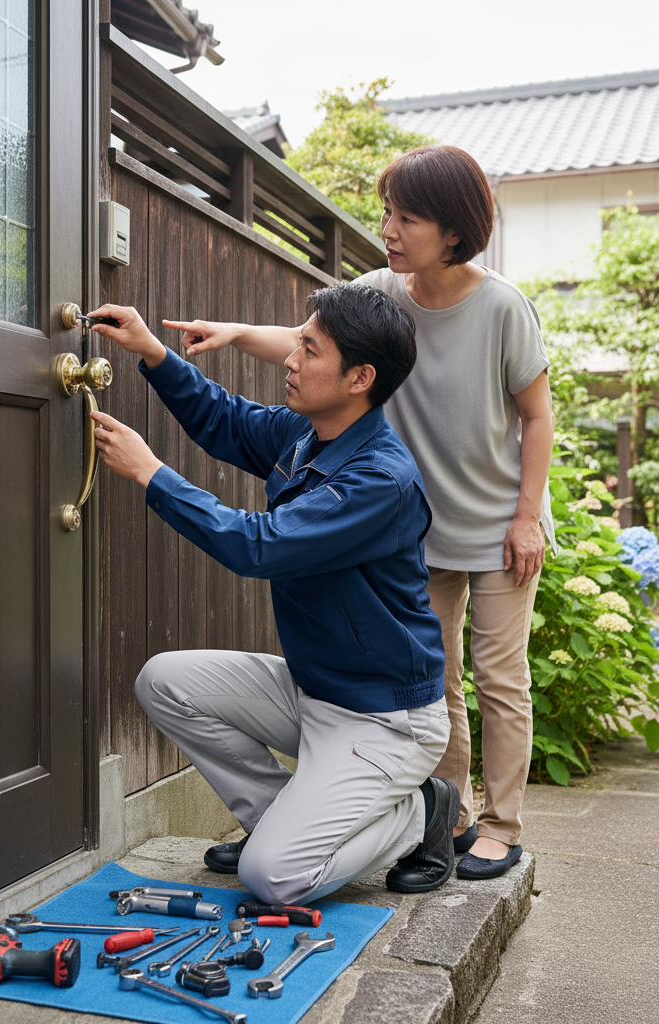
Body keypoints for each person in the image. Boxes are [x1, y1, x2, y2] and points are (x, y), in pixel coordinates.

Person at [169, 145, 554, 884]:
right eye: (387, 212)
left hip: (497, 525)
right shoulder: (381, 288)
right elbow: (322, 344)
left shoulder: (502, 306)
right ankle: (449, 816)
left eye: (407, 217)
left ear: (452, 230)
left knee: (500, 677)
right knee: (432, 684)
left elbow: (536, 416)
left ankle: (501, 826)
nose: (389, 228)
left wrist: (526, 516)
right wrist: (234, 334)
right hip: (412, 525)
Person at [85, 283, 459, 904]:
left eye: (308, 350)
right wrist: (152, 351)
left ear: (359, 377)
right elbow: (226, 420)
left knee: (273, 880)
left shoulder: (380, 481)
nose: (290, 358)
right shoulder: (310, 435)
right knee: (164, 681)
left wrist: (152, 473)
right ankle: (278, 823)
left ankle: (421, 814)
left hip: (384, 720)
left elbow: (259, 545)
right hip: (315, 690)